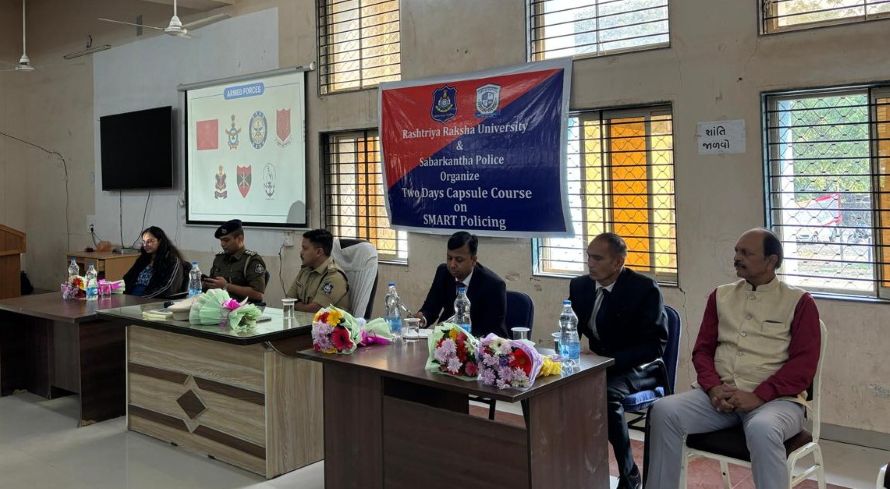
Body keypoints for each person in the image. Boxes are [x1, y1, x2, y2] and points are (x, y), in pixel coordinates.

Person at [645, 228, 821, 489]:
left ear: (771, 260)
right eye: (737, 251)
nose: (737, 258)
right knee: (663, 411)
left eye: (746, 253)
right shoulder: (720, 296)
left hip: (777, 402)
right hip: (719, 398)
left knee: (762, 428)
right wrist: (713, 388)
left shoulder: (799, 302)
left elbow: (803, 366)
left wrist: (759, 395)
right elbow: (702, 351)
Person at [568, 232, 667, 489]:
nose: (590, 263)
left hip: (639, 367)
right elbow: (570, 329)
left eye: (598, 258)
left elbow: (655, 346)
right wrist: (567, 355)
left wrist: (607, 360)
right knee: (549, 384)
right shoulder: (579, 286)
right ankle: (566, 462)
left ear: (618, 262)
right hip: (598, 364)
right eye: (588, 257)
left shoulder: (644, 289)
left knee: (606, 393)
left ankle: (629, 472)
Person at [415, 231, 508, 338]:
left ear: (473, 260)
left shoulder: (493, 285)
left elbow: (493, 330)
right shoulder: (443, 272)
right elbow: (431, 308)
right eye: (449, 258)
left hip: (477, 341)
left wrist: (463, 339)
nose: (452, 265)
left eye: (459, 260)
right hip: (446, 339)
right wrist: (422, 319)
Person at [286, 229, 350, 313]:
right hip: (302, 320)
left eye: (305, 249)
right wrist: (299, 306)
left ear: (319, 252)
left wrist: (296, 305)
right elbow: (288, 300)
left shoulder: (334, 276)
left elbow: (316, 310)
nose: (301, 253)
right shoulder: (306, 270)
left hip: (327, 322)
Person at [204, 219, 267, 303]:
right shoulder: (219, 258)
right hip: (218, 305)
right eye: (221, 240)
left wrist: (226, 286)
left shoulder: (252, 260)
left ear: (240, 239)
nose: (222, 244)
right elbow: (213, 285)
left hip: (242, 308)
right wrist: (205, 283)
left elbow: (258, 294)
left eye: (226, 240)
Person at [123, 226, 187, 299]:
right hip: (133, 297)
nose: (145, 245)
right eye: (144, 242)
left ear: (160, 241)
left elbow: (167, 288)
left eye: (149, 241)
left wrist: (143, 298)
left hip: (151, 300)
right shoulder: (143, 258)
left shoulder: (172, 260)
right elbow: (128, 277)